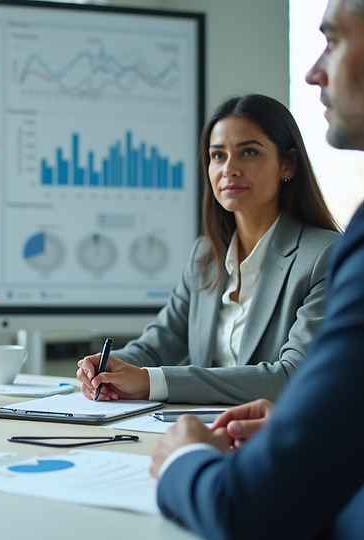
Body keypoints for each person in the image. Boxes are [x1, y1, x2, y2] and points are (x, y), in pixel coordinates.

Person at [149, 0, 364, 540]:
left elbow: (252, 511)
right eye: (217, 155)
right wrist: (311, 426)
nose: (313, 71)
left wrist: (182, 458)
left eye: (335, 41)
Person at [77, 94, 341, 405]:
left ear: (289, 164)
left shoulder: (325, 256)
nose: (229, 169)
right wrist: (105, 368)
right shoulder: (206, 256)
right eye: (218, 156)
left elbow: (292, 377)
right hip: (198, 433)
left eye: (249, 152)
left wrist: (151, 381)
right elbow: (157, 344)